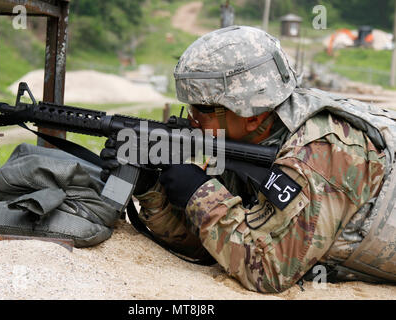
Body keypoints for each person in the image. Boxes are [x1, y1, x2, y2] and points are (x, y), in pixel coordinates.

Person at [101, 26, 396, 293]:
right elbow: (218, 246)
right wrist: (152, 191)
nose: (191, 119)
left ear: (252, 116)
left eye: (201, 109)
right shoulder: (250, 141)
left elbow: (268, 270)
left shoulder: (320, 152)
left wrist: (200, 194)